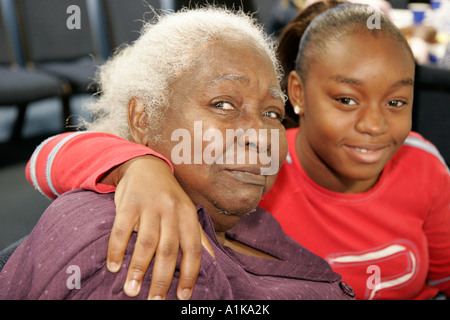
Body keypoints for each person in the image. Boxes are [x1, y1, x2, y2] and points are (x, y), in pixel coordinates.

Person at [20, 2, 450, 299]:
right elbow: (47, 159)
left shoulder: (248, 200)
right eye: (223, 104)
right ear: (142, 118)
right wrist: (133, 164)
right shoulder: (147, 248)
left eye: (270, 113)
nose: (258, 134)